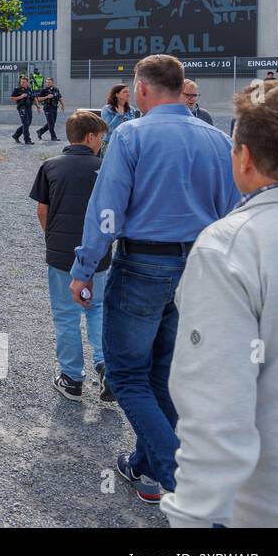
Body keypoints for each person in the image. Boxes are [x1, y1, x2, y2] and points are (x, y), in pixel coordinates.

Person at [69, 54, 240, 505]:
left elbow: (106, 211)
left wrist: (84, 269)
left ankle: (185, 485)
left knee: (126, 375)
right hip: (197, 269)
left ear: (142, 89)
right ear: (180, 87)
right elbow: (232, 214)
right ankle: (144, 465)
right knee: (162, 374)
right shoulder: (218, 140)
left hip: (143, 265)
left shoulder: (130, 135)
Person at [164, 78, 278, 527]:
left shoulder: (231, 247)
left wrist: (191, 517)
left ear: (244, 158)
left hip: (277, 507)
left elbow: (216, 409)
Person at [30, 110, 112, 402]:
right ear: (90, 137)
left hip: (62, 255)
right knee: (97, 308)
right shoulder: (105, 168)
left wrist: (52, 238)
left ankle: (71, 378)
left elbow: (42, 210)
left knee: (65, 315)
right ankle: (105, 366)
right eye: (101, 137)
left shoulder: (50, 166)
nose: (102, 142)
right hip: (98, 255)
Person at [10, 75, 36, 144]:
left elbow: (33, 98)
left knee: (28, 123)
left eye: (24, 82)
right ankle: (27, 140)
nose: (22, 83)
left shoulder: (30, 89)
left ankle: (16, 135)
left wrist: (37, 106)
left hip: (29, 108)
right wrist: (21, 96)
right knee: (25, 123)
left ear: (27, 83)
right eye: (21, 82)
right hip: (22, 108)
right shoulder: (17, 89)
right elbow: (12, 98)